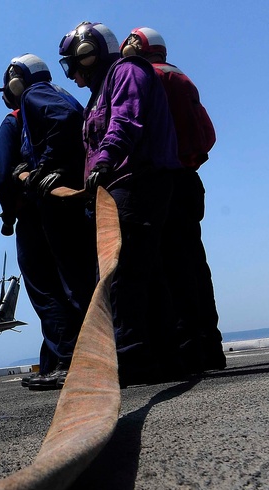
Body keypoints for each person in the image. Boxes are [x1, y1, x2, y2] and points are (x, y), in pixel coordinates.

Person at [58, 21, 181, 386]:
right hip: (118, 188)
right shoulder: (99, 92)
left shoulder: (125, 72)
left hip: (136, 183)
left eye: (74, 65)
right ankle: (162, 358)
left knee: (120, 274)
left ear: (88, 54)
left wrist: (106, 160)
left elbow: (126, 120)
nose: (74, 76)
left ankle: (130, 361)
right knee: (144, 271)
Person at [121, 27, 225, 374]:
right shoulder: (183, 78)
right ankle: (209, 348)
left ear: (138, 46)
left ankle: (183, 352)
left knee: (167, 269)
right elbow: (208, 134)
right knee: (195, 265)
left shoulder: (146, 77)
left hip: (161, 181)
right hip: (189, 180)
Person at [0, 53, 94, 390]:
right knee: (69, 285)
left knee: (45, 289)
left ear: (16, 81)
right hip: (67, 201)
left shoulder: (23, 109)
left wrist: (9, 214)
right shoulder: (58, 95)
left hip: (41, 208)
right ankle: (61, 359)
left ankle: (67, 361)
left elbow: (0, 176)